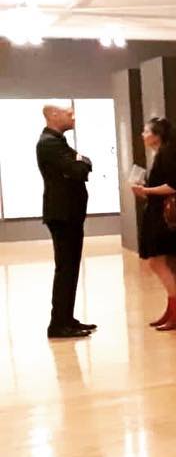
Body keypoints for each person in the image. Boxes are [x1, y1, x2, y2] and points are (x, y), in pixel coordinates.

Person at [36, 103, 97, 339]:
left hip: (69, 213)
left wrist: (81, 161)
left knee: (70, 268)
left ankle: (65, 318)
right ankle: (58, 324)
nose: (73, 117)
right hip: (63, 214)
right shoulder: (49, 143)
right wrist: (80, 161)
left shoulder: (57, 141)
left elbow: (83, 162)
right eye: (68, 113)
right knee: (66, 269)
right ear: (53, 115)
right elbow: (79, 169)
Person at [132, 117, 176, 331]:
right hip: (163, 214)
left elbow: (175, 185)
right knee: (171, 263)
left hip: (163, 216)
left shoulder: (166, 155)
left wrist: (146, 190)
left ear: (157, 136)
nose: (143, 135)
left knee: (157, 262)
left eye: (146, 131)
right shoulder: (165, 154)